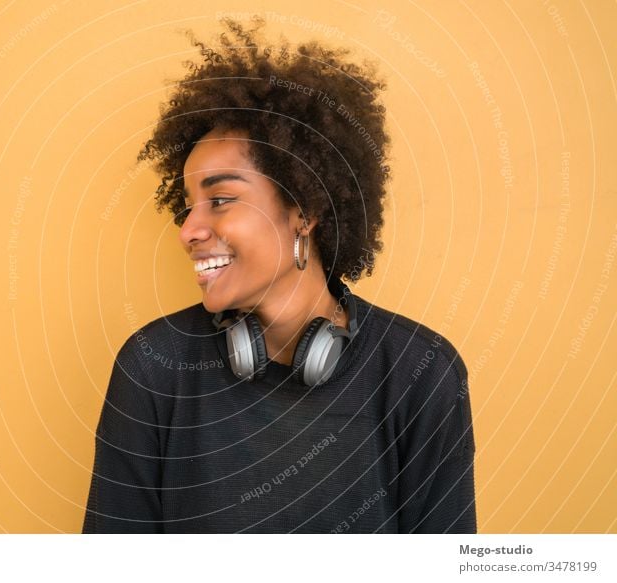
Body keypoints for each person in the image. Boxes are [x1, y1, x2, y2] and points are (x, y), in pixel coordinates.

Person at [82, 16, 475, 533]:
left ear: (304, 210)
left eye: (220, 200)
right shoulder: (153, 367)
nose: (188, 231)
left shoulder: (420, 372)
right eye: (187, 207)